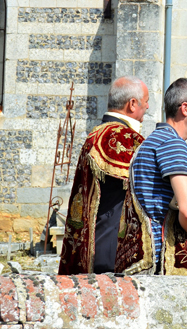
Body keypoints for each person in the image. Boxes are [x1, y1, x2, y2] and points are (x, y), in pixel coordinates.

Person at [58, 76, 149, 275]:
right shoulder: (123, 138)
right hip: (113, 255)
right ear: (132, 104)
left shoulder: (95, 135)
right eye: (146, 101)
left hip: (90, 248)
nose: (148, 107)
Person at [130, 78, 187, 274]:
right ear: (185, 108)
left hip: (141, 252)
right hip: (160, 256)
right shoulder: (173, 143)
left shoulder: (150, 141)